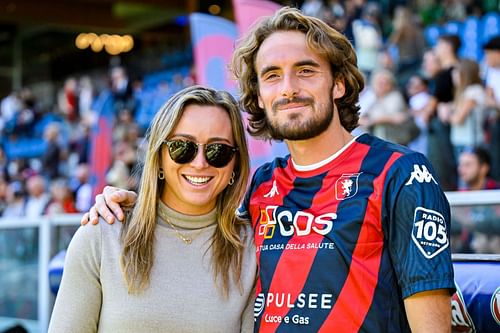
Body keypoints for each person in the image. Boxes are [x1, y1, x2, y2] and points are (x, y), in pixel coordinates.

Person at [85, 7, 454, 332]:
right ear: (259, 96)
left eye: (306, 71)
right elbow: (190, 227)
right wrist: (129, 203)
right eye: (272, 75)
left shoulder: (400, 172)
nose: (288, 88)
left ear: (339, 84)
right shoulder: (262, 183)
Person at [49, 86, 256, 332]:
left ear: (235, 163)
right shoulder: (102, 235)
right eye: (183, 147)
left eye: (218, 150)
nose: (200, 163)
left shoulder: (251, 246)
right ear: (159, 156)